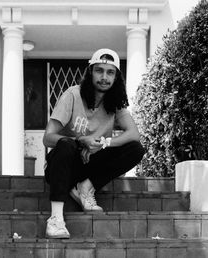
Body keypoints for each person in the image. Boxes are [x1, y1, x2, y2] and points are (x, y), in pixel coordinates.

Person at [42, 48, 145, 239]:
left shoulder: (115, 103)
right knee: (65, 145)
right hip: (63, 165)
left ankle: (85, 187)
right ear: (90, 72)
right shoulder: (72, 95)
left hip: (89, 166)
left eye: (110, 72)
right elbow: (48, 137)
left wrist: (103, 143)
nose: (104, 77)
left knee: (135, 149)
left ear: (116, 77)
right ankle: (56, 219)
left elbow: (133, 134)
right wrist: (81, 141)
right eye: (99, 70)